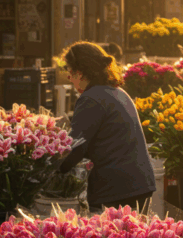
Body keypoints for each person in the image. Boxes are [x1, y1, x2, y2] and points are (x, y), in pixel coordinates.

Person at [58, 42, 156, 211]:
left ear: (79, 73)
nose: (68, 77)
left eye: (69, 71)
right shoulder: (118, 92)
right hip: (139, 184)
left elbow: (75, 148)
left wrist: (48, 169)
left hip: (116, 191)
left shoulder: (91, 99)